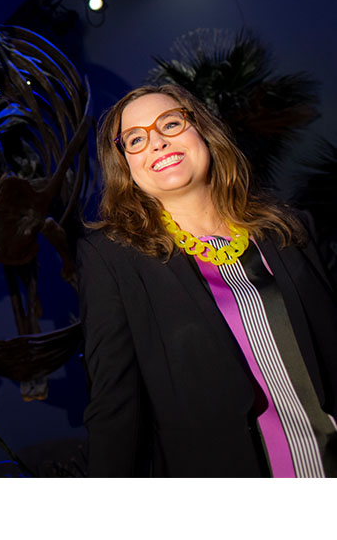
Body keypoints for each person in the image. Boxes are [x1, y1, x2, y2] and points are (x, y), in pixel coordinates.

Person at [77, 83, 337, 477]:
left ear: (203, 132)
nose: (158, 143)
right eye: (135, 139)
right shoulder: (112, 260)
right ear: (125, 168)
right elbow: (115, 405)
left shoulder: (290, 229)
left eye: (170, 123)